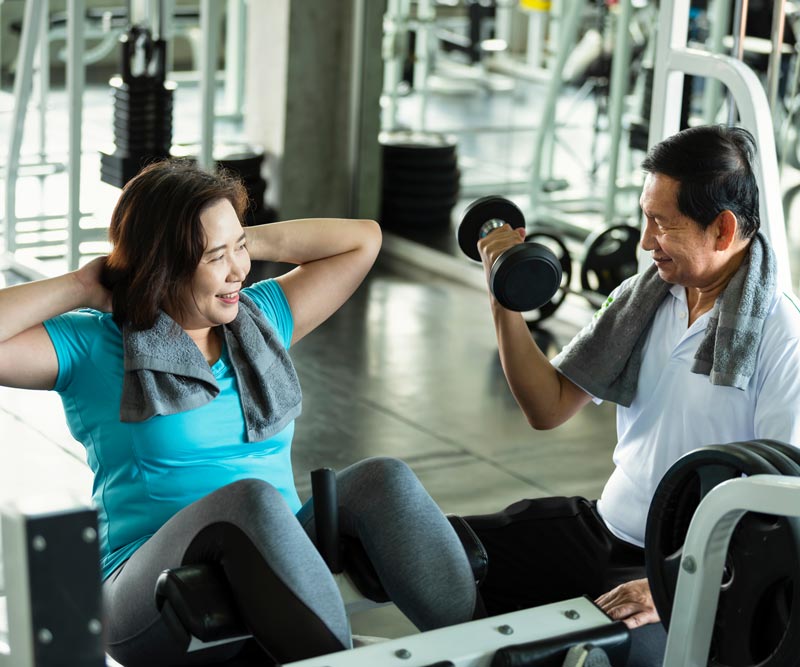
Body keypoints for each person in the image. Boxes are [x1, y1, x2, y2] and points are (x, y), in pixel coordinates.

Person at [0, 160, 478, 666]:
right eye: (214, 257)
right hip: (142, 584)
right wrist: (81, 284)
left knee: (384, 478)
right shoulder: (95, 345)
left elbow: (363, 240)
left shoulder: (259, 319)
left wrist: (234, 236)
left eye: (239, 251)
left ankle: (490, 644)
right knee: (248, 501)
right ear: (164, 262)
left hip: (281, 553)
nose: (238, 271)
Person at [463, 124, 800, 664]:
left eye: (661, 225)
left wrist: (671, 589)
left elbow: (784, 509)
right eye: (647, 219)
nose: (644, 242)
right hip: (602, 530)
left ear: (722, 228)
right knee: (449, 555)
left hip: (692, 573)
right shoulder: (646, 300)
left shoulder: (783, 339)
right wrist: (504, 291)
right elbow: (546, 406)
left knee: (592, 656)